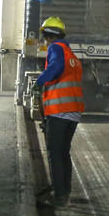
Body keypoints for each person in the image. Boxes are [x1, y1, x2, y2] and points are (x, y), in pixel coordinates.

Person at [34, 16, 82, 205]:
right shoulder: (71, 54)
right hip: (73, 112)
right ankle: (64, 191)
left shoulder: (55, 48)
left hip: (60, 110)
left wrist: (39, 83)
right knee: (63, 152)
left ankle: (60, 196)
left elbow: (55, 67)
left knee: (54, 153)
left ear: (48, 35)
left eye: (45, 37)